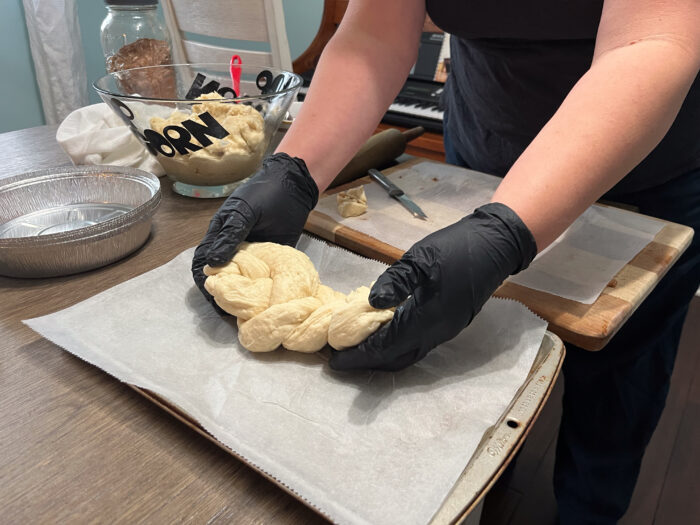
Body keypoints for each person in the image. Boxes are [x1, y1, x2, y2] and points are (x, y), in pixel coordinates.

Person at [192, 1, 700, 522]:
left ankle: (589, 510)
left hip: (644, 166)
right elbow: (373, 37)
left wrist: (505, 230)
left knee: (617, 383)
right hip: (484, 148)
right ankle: (492, 484)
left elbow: (652, 43)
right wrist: (295, 169)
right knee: (487, 354)